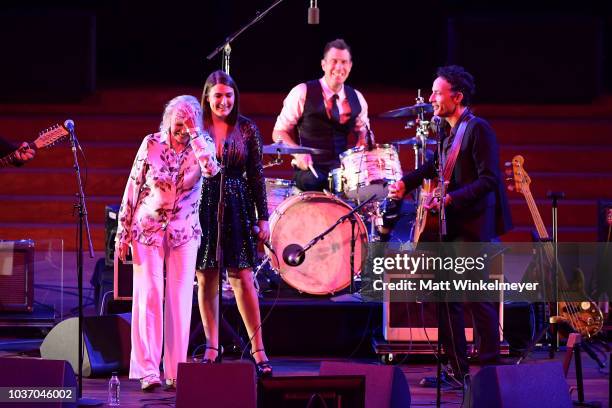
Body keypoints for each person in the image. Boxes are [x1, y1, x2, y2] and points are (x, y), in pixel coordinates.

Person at [388, 65, 513, 381]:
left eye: (436, 92)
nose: (430, 98)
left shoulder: (478, 129)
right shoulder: (447, 131)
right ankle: (457, 370)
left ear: (456, 97)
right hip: (450, 227)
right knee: (447, 301)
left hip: (472, 227)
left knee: (476, 299)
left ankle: (490, 372)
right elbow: (432, 167)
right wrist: (406, 182)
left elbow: (489, 180)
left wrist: (451, 199)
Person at [115, 95, 218, 391]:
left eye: (188, 124)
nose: (181, 130)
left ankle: (175, 370)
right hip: (147, 228)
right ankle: (148, 370)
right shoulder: (151, 143)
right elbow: (133, 185)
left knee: (179, 299)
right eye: (178, 124)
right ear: (167, 121)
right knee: (148, 295)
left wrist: (195, 134)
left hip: (184, 231)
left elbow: (211, 171)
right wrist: (122, 232)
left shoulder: (204, 145)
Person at [196, 70, 272, 377]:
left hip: (238, 204)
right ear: (207, 97)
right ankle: (212, 346)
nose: (224, 101)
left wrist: (263, 216)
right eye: (218, 96)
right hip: (203, 204)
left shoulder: (247, 128)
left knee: (241, 276)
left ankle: (258, 349)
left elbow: (256, 175)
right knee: (206, 276)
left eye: (229, 96)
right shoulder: (197, 128)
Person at [272, 38, 372, 191]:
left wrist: (363, 141)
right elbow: (279, 132)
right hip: (309, 171)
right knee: (314, 181)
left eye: (344, 62)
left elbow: (364, 132)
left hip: (342, 172)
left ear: (350, 66)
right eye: (334, 61)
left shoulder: (357, 97)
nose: (339, 67)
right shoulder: (302, 92)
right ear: (323, 64)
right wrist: (298, 153)